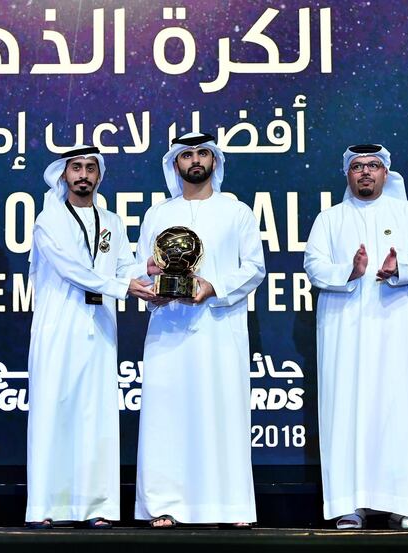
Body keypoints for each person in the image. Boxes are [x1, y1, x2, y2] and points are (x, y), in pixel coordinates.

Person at [134, 132, 266, 528]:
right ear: (175, 164)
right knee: (166, 417)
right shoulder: (157, 214)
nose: (195, 160)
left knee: (221, 411)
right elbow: (143, 268)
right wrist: (150, 287)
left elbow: (254, 267)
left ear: (214, 161)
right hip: (168, 328)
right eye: (186, 154)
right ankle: (164, 506)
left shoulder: (236, 211)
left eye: (202, 153)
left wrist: (214, 288)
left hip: (218, 329)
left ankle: (231, 507)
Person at [303, 144, 408, 530]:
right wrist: (350, 270)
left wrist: (400, 268)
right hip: (345, 331)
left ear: (385, 173)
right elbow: (313, 265)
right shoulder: (330, 219)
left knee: (403, 410)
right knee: (346, 410)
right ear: (347, 174)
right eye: (358, 167)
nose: (365, 172)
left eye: (373, 166)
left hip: (400, 329)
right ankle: (350, 505)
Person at [26, 145, 156, 529]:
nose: (83, 175)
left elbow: (122, 265)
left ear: (99, 176)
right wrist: (125, 287)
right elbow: (73, 269)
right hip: (58, 327)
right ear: (63, 175)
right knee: (54, 411)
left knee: (95, 415)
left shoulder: (112, 221)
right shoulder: (48, 220)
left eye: (90, 168)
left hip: (99, 327)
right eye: (76, 168)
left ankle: (97, 507)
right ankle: (45, 508)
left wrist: (146, 269)